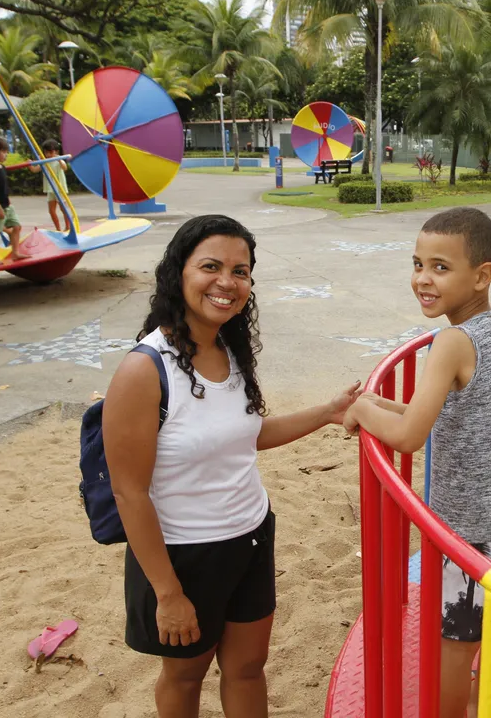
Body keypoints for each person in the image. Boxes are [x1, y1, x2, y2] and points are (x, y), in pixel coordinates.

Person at [102, 214, 361, 718]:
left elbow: (248, 435)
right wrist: (168, 592)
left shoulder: (229, 348)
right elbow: (129, 492)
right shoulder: (143, 369)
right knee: (184, 676)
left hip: (250, 536)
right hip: (183, 556)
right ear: (179, 272)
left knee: (248, 668)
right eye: (211, 266)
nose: (227, 282)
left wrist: (328, 412)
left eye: (240, 271)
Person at [342, 207, 491, 718]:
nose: (422, 278)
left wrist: (363, 410)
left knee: (454, 644)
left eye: (440, 267)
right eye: (418, 263)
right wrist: (375, 408)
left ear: (481, 275)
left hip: (474, 531)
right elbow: (435, 411)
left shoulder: (451, 341)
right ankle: (486, 697)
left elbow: (411, 434)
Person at [0, 136, 29, 264]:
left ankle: (15, 252)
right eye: (4, 152)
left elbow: (3, 187)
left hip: (7, 204)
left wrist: (7, 203)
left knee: (17, 226)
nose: (6, 154)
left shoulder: (2, 168)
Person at [30, 139, 70, 232]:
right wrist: (30, 164)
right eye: (46, 152)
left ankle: (68, 226)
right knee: (51, 211)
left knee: (63, 208)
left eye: (50, 152)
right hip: (50, 188)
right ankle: (58, 228)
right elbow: (35, 170)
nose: (48, 154)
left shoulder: (58, 159)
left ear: (56, 151)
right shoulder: (44, 161)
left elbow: (65, 167)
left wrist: (59, 159)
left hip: (59, 188)